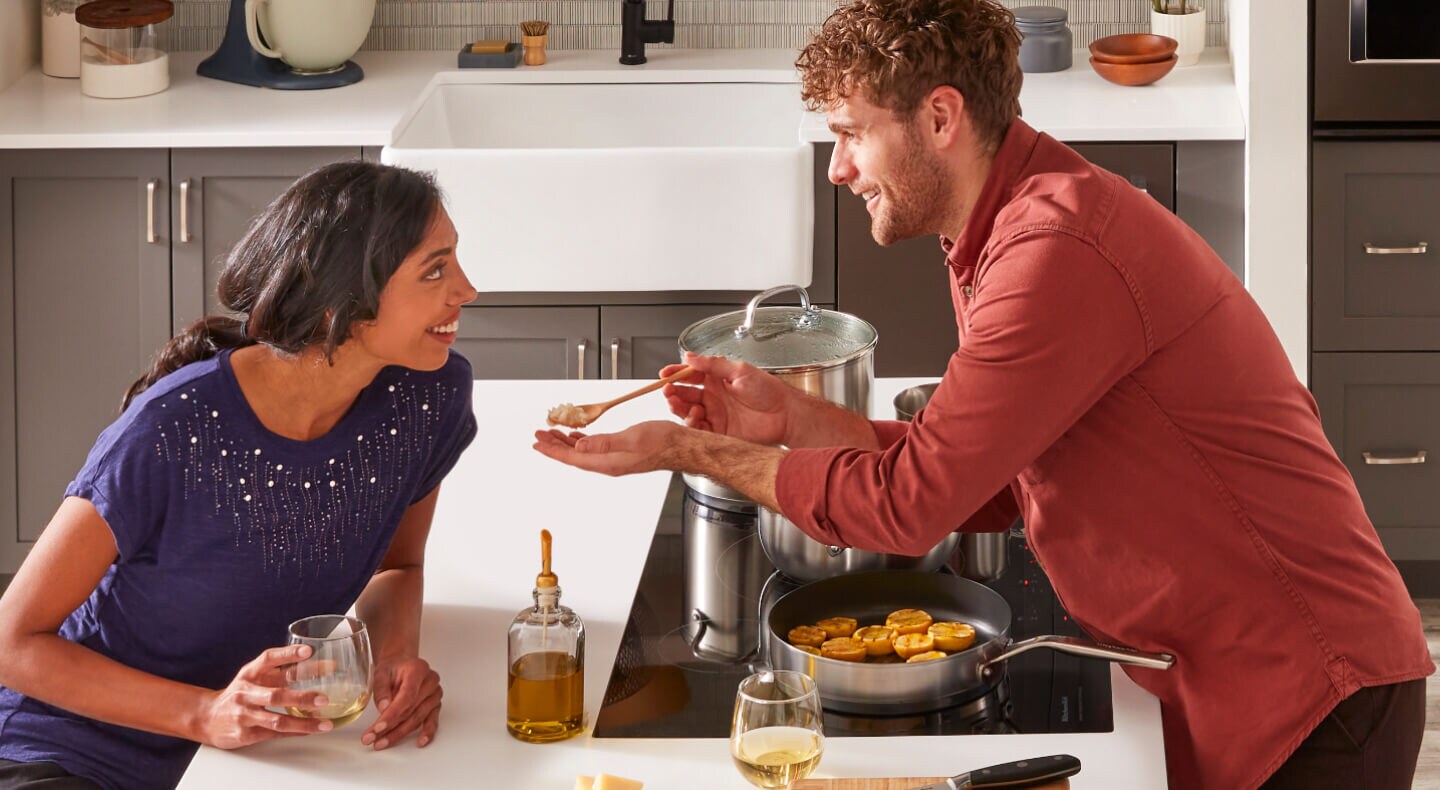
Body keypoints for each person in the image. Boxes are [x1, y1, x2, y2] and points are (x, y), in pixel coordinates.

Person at [533, 2, 1434, 788]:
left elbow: (908, 508)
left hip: (1311, 694)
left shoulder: (1054, 253)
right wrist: (790, 420)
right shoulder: (1004, 231)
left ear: (938, 117)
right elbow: (981, 484)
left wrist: (686, 452)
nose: (838, 168)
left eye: (850, 132)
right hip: (1224, 674)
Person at [0, 160, 479, 789]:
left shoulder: (428, 397)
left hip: (253, 758)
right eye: (435, 269)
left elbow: (397, 565)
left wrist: (393, 657)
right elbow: (14, 642)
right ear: (346, 300)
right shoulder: (171, 430)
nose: (466, 289)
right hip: (74, 751)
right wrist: (204, 712)